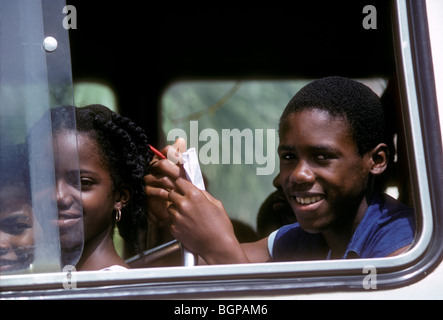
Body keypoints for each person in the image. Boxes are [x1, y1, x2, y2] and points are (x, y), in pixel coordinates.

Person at [145, 76, 415, 264]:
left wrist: (221, 246)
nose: (298, 174)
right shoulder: (300, 238)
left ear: (377, 160)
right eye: (289, 156)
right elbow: (205, 268)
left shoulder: (404, 243)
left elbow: (227, 262)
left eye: (322, 157)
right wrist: (178, 207)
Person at [31, 104, 151, 271]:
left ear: (120, 196)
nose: (58, 196)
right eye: (44, 181)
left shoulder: (114, 290)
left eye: (83, 183)